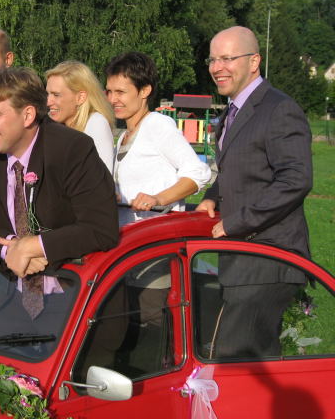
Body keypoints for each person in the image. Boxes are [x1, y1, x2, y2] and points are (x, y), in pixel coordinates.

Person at [0, 67, 119, 333]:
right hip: (11, 286)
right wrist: (11, 249)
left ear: (28, 115)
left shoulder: (72, 149)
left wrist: (33, 246)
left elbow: (101, 228)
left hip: (75, 293)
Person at [196, 26, 312, 358]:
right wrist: (212, 195)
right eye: (212, 59)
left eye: (227, 58)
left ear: (254, 61)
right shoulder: (231, 112)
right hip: (243, 259)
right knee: (245, 360)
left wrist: (238, 222)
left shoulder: (278, 109)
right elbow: (238, 167)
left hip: (269, 257)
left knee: (236, 359)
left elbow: (296, 179)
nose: (217, 68)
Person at [105, 52, 210, 225]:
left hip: (155, 236)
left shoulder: (157, 124)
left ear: (145, 90)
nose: (112, 99)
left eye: (120, 92)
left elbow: (198, 172)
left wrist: (158, 199)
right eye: (109, 91)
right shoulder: (124, 135)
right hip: (129, 236)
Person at [45, 60, 115, 172]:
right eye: (48, 94)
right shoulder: (53, 126)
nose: (48, 102)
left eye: (56, 95)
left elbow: (101, 178)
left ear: (80, 97)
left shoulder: (96, 123)